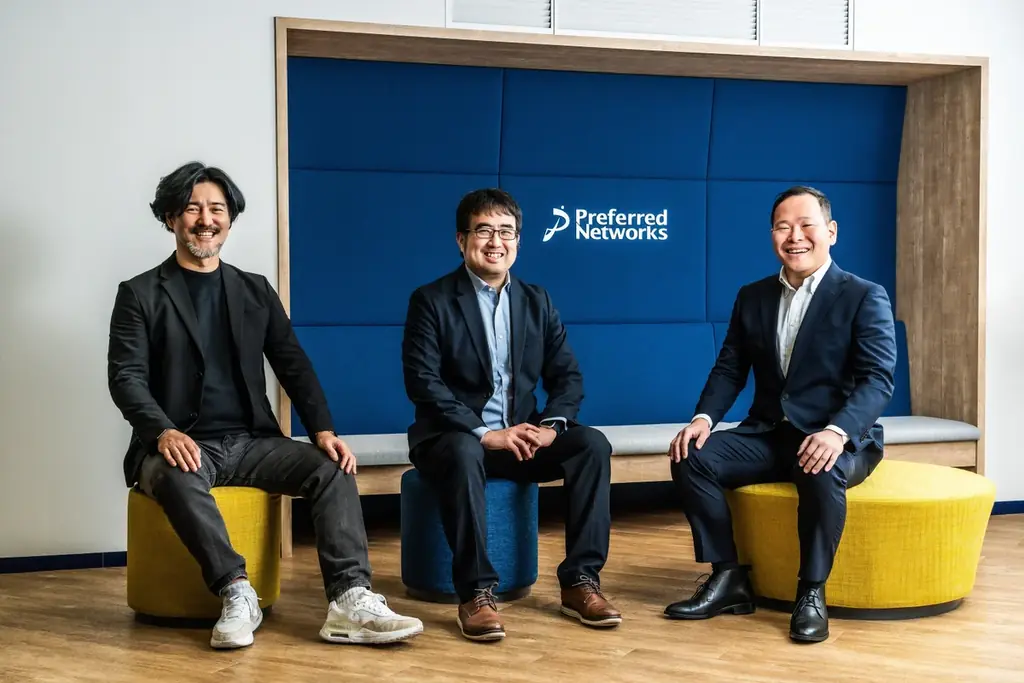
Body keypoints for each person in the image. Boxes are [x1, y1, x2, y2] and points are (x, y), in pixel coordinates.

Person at [107, 161, 423, 650]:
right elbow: (126, 377)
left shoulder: (254, 289)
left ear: (230, 219)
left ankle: (349, 601)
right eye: (192, 209)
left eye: (217, 209)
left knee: (332, 469)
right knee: (174, 473)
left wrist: (323, 430)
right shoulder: (140, 294)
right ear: (171, 218)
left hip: (252, 441)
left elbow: (292, 363)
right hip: (182, 444)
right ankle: (236, 592)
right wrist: (163, 431)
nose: (206, 220)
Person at [663, 185, 896, 643]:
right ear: (772, 235)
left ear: (831, 232)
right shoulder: (753, 296)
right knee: (691, 455)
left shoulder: (863, 295)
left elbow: (877, 380)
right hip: (770, 432)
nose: (795, 236)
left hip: (838, 435)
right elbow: (730, 367)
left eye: (807, 225)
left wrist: (836, 432)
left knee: (819, 466)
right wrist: (703, 419)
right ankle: (728, 577)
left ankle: (811, 591)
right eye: (783, 227)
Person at [401, 188, 621, 642]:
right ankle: (476, 594)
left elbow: (568, 376)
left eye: (506, 232)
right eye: (484, 231)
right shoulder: (431, 300)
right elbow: (423, 383)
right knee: (464, 450)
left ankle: (580, 581)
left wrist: (550, 428)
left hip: (522, 438)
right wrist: (485, 433)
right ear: (461, 239)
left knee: (591, 445)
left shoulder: (537, 300)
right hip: (452, 439)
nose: (495, 242)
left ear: (518, 241)